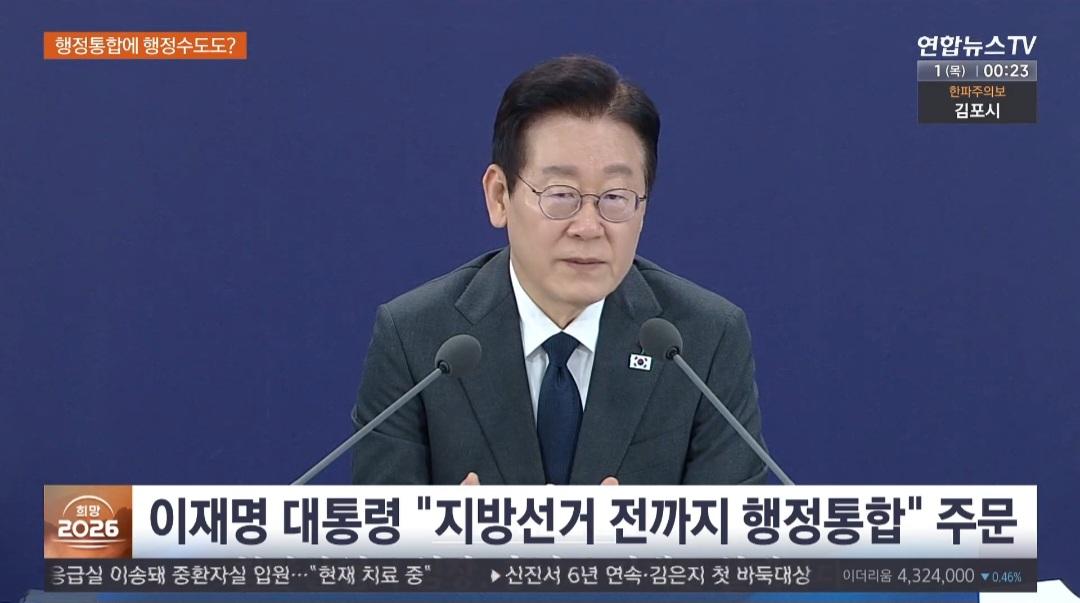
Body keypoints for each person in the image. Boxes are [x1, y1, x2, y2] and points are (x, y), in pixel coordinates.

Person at [351, 55, 769, 486]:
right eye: (561, 194)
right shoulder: (416, 339)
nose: (588, 227)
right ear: (499, 196)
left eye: (615, 197)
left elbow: (731, 526)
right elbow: (378, 524)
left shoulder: (703, 340)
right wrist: (445, 531)